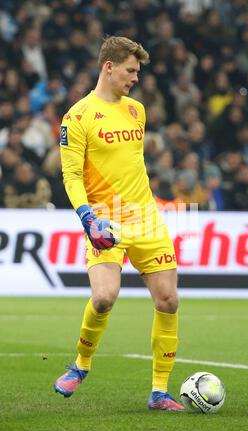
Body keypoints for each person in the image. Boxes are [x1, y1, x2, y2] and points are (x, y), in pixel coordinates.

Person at [54, 36, 184, 411]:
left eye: (138, 72)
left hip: (145, 218)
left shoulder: (136, 111)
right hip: (104, 222)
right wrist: (87, 218)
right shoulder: (77, 117)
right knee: (104, 296)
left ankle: (160, 391)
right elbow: (71, 175)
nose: (135, 78)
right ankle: (80, 365)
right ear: (108, 67)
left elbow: (130, 167)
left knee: (169, 300)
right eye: (130, 70)